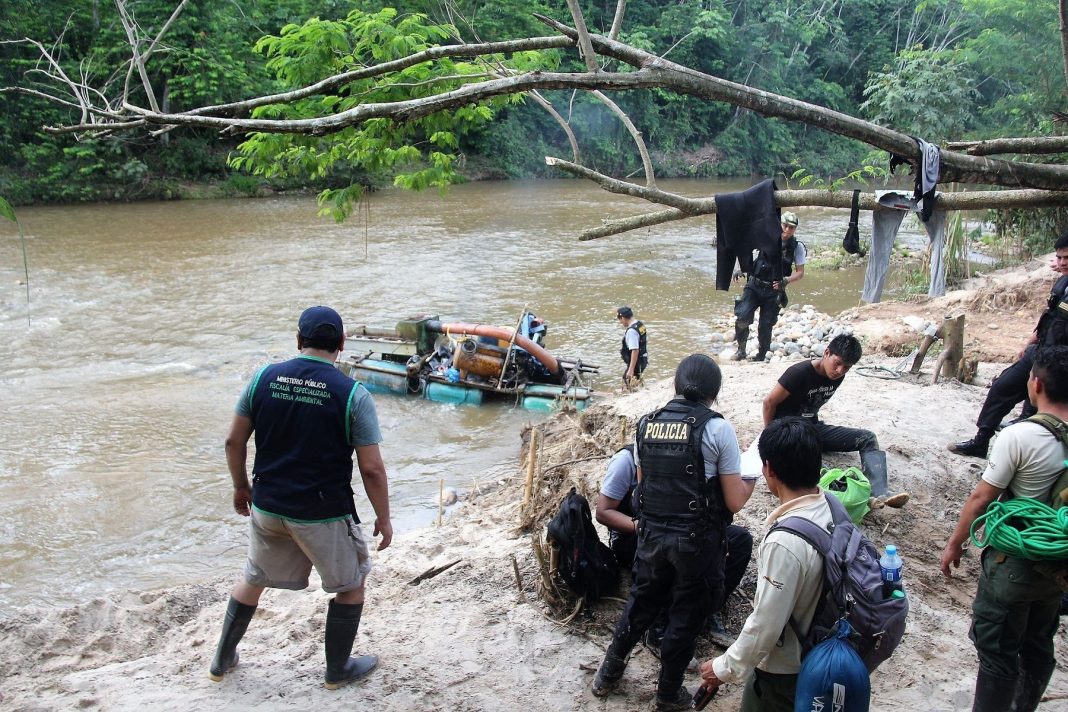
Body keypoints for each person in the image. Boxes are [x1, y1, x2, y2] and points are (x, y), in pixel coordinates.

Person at [209, 305, 393, 690]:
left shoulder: (262, 379)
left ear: (298, 341)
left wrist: (241, 486)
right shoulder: (352, 394)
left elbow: (233, 441)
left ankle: (222, 659)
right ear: (341, 344)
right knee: (351, 584)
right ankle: (337, 670)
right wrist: (383, 517)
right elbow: (372, 468)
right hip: (322, 512)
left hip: (268, 505)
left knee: (253, 577)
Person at [591, 354, 755, 711]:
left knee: (640, 603)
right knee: (686, 614)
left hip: (650, 537)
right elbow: (734, 501)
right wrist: (751, 476)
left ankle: (607, 673)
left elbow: (642, 492)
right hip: (696, 543)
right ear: (715, 392)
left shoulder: (645, 424)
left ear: (675, 385)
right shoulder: (718, 429)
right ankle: (667, 694)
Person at [940, 345, 1068, 712]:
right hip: (1058, 561)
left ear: (1036, 384)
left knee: (997, 647)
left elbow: (982, 499)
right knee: (1039, 640)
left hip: (1016, 560)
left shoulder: (1020, 436)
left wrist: (955, 544)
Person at [697, 417, 830, 711]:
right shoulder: (831, 506)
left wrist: (723, 668)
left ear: (768, 470)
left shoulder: (785, 542)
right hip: (828, 646)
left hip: (789, 670)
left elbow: (766, 624)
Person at [595, 444, 755, 647]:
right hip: (635, 535)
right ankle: (659, 628)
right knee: (675, 549)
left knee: (738, 540)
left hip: (680, 529)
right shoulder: (625, 461)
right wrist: (645, 527)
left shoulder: (686, 454)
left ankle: (704, 610)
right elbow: (603, 512)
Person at [948, 232, 1068, 458]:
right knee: (1002, 386)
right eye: (1059, 258)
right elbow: (1050, 316)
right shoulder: (1062, 282)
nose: (1062, 263)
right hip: (1041, 351)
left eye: (1067, 258)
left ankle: (1025, 454)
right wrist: (1030, 341)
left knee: (1039, 406)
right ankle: (981, 440)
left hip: (1061, 362)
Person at [761, 334, 888, 495]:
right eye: (837, 363)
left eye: (846, 368)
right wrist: (769, 436)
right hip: (789, 433)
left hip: (812, 429)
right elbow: (769, 403)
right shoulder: (798, 373)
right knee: (816, 471)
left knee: (868, 438)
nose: (839, 371)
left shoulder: (838, 376)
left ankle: (879, 492)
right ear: (826, 353)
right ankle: (843, 493)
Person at [731, 211, 806, 362]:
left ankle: (762, 355)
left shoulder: (797, 247)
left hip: (774, 290)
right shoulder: (764, 237)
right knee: (742, 317)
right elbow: (744, 248)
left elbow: (800, 273)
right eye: (785, 225)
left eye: (791, 227)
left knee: (766, 324)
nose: (787, 230)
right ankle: (741, 350)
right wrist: (739, 268)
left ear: (795, 229)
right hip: (754, 285)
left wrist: (786, 280)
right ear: (779, 224)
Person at [616, 306, 648, 386]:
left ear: (623, 318)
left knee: (627, 380)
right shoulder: (639, 324)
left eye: (620, 320)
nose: (620, 322)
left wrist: (631, 369)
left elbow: (635, 350)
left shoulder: (631, 332)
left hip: (637, 362)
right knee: (636, 379)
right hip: (643, 358)